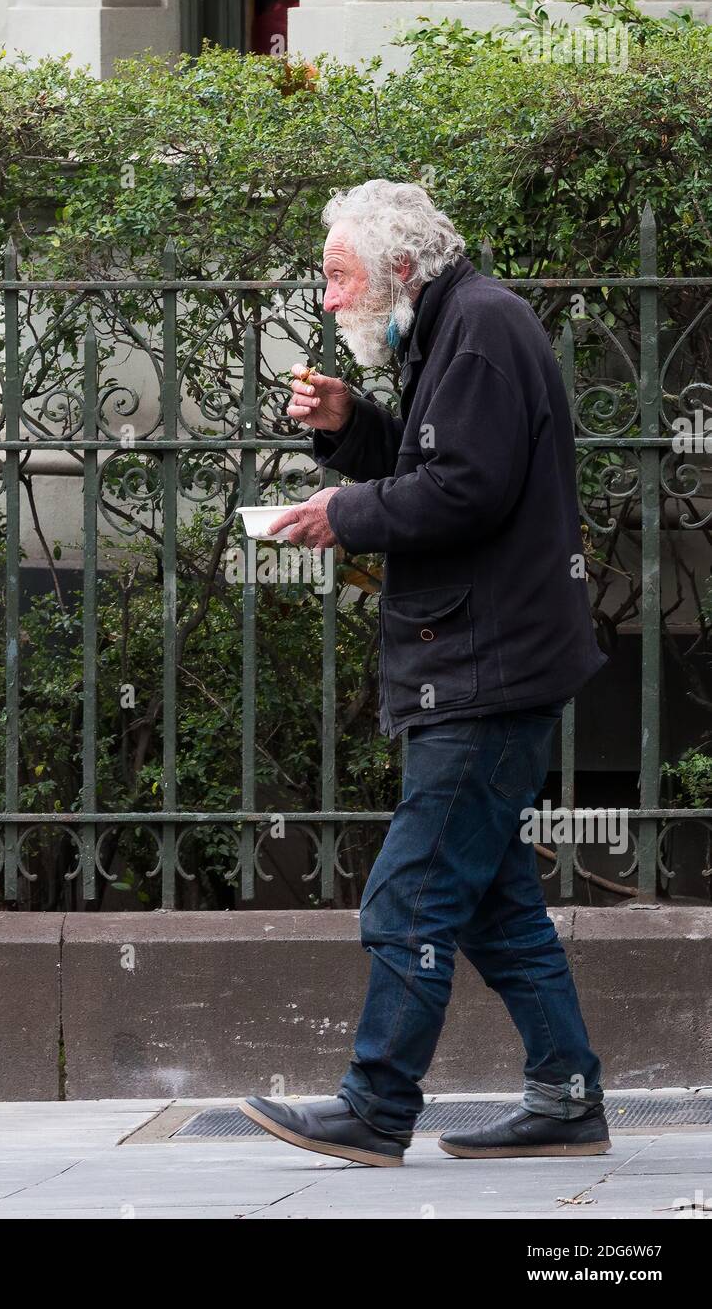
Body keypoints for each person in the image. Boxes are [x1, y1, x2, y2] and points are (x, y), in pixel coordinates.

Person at [240, 179, 609, 1168]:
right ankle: (565, 1095)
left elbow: (463, 490)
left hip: (483, 668)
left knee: (408, 896)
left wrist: (339, 513)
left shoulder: (478, 331)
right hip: (486, 656)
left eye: (336, 274)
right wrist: (348, 422)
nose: (325, 297)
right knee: (490, 900)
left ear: (398, 267)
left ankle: (373, 1104)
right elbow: (427, 459)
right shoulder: (458, 322)